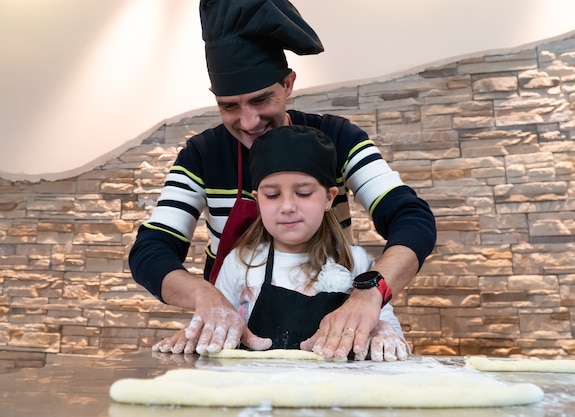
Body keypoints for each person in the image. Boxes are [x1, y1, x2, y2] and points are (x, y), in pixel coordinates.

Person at [130, 0, 436, 361]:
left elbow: (412, 220)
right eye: (230, 106)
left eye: (261, 100)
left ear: (288, 84)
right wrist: (207, 298)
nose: (247, 122)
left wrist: (369, 294)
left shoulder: (338, 139)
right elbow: (151, 249)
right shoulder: (202, 155)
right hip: (236, 334)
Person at [213, 125, 409, 359]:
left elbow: (394, 340)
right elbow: (215, 330)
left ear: (329, 198)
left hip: (332, 392)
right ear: (257, 200)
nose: (287, 207)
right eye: (272, 195)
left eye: (304, 193)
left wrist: (379, 331)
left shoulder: (356, 263)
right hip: (256, 391)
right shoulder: (239, 262)